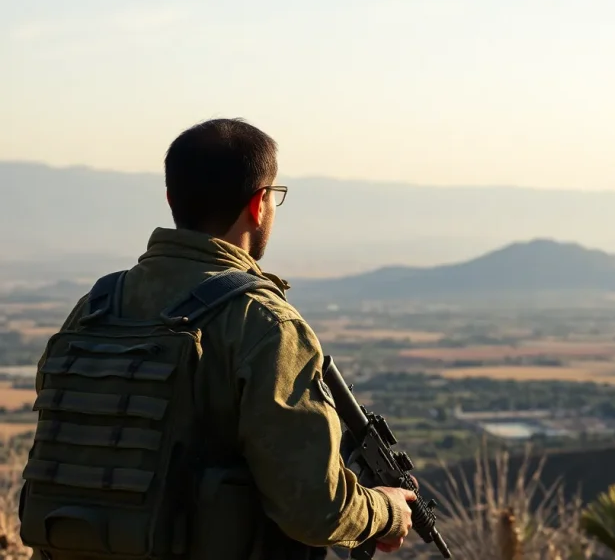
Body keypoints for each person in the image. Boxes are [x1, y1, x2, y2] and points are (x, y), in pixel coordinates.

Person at [24, 118, 416, 558]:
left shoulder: (97, 305)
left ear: (171, 199)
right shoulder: (265, 323)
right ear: (259, 204)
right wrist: (386, 509)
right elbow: (314, 509)